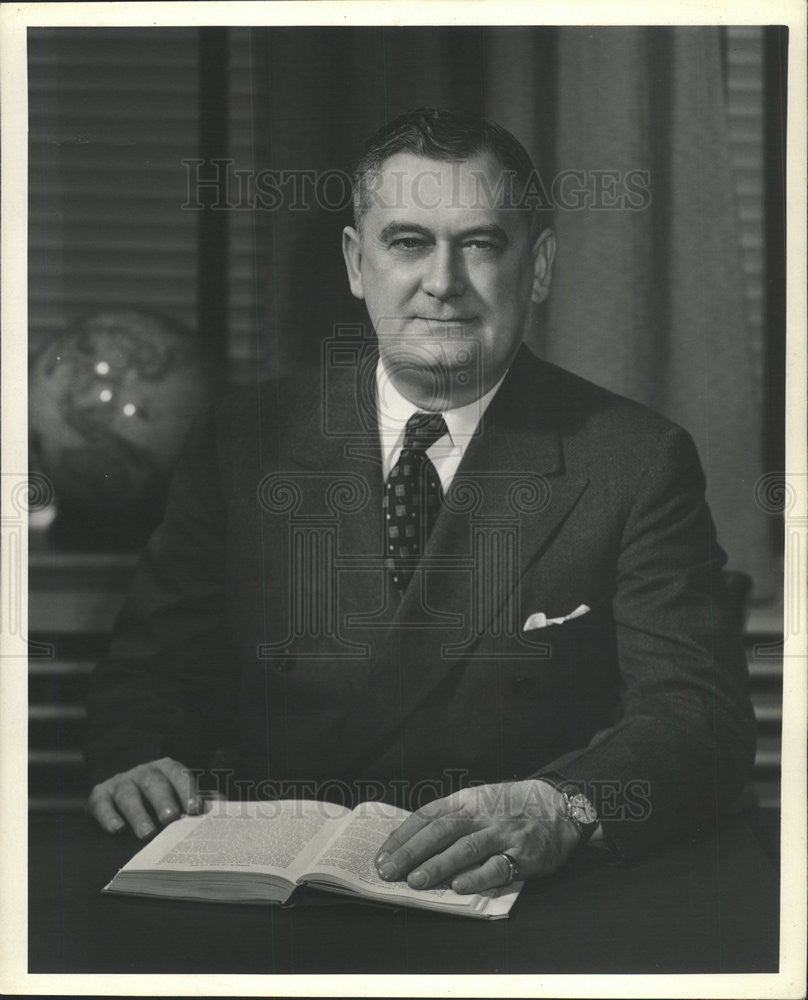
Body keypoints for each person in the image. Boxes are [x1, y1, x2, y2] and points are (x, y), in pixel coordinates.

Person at [85, 107, 756, 896]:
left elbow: (698, 714)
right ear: (355, 263)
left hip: (519, 902)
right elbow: (151, 674)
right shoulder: (242, 440)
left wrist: (562, 806)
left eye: (480, 243)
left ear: (537, 268)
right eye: (408, 242)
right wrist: (140, 753)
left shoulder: (634, 459)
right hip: (276, 907)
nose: (443, 282)